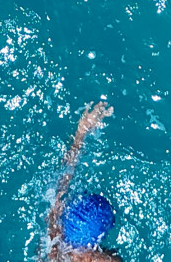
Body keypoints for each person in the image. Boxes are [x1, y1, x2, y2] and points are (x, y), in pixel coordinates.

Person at [45, 101, 120, 262]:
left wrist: (79, 137)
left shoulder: (54, 246)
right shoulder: (108, 259)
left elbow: (59, 191)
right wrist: (81, 135)